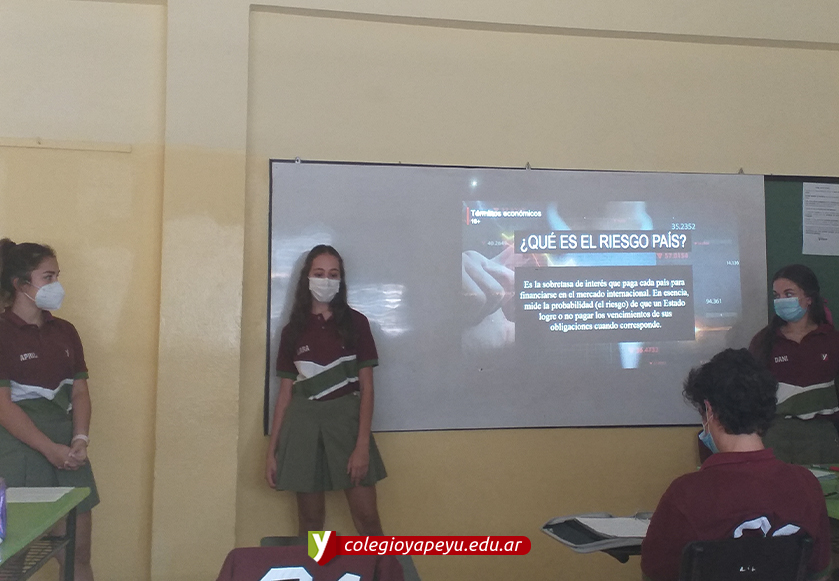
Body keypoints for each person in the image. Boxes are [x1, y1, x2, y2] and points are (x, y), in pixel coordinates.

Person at [641, 348, 831, 581]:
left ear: (709, 410)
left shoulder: (684, 495)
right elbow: (818, 572)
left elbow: (655, 575)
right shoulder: (806, 485)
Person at [266, 245, 387, 536]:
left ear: (341, 280)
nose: (326, 280)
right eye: (319, 274)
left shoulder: (357, 323)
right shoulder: (292, 331)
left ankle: (380, 563)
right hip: (303, 426)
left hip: (346, 425)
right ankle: (319, 563)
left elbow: (368, 388)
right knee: (311, 523)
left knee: (367, 517)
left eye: (333, 275)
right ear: (307, 278)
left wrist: (361, 446)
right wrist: (272, 452)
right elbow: (285, 395)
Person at [0, 239, 99, 581]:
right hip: (20, 457)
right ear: (20, 284)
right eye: (48, 277)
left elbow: (80, 392)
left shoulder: (65, 331)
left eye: (57, 276)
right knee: (11, 561)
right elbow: (3, 407)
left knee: (77, 557)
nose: (56, 285)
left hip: (69, 457)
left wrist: (80, 439)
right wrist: (49, 449)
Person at [749, 264, 839, 464]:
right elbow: (752, 394)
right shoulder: (764, 341)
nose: (781, 300)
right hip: (776, 435)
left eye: (789, 294)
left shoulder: (831, 340)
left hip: (823, 436)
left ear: (809, 298)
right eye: (777, 296)